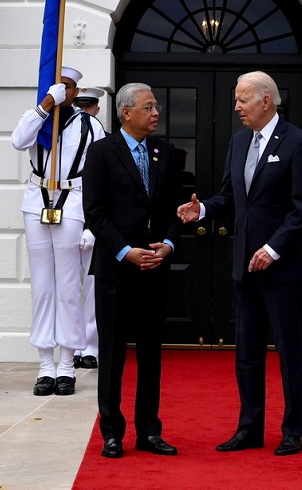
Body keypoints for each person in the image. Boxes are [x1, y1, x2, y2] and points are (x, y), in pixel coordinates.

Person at [178, 71, 302, 457]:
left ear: (266, 101)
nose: (236, 107)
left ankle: (292, 431)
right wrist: (202, 209)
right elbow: (230, 196)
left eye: (242, 100)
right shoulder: (240, 141)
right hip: (244, 264)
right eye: (237, 100)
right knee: (248, 351)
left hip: (282, 267)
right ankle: (250, 428)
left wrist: (273, 248)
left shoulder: (299, 143)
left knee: (290, 352)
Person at [82, 82, 181, 460]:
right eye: (148, 107)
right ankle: (112, 432)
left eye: (156, 106)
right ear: (126, 113)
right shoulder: (102, 152)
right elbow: (95, 212)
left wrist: (168, 245)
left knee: (151, 354)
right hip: (114, 270)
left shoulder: (164, 151)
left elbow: (173, 205)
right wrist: (126, 252)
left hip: (154, 268)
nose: (156, 112)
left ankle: (149, 432)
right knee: (111, 355)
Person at [11, 68, 106, 396]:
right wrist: (46, 104)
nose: (62, 91)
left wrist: (94, 224)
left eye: (66, 87)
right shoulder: (35, 116)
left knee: (68, 286)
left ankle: (67, 363)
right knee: (42, 287)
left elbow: (101, 174)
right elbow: (18, 141)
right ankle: (44, 365)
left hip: (74, 202)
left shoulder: (89, 124)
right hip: (37, 202)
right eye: (56, 86)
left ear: (76, 89)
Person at [72, 84, 106, 371]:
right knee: (69, 287)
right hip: (67, 220)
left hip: (94, 223)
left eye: (89, 107)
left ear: (97, 109)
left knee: (92, 287)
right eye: (79, 106)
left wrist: (93, 226)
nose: (85, 112)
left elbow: (107, 190)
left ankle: (91, 346)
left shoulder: (103, 141)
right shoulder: (64, 137)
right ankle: (71, 344)